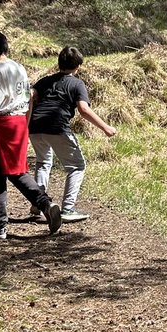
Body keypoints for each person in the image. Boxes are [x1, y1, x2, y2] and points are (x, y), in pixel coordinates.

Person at [0, 31, 61, 239]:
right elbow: (28, 97)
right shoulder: (19, 67)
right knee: (18, 172)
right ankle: (46, 204)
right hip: (19, 123)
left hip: (1, 126)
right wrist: (25, 125)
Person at [28, 46, 116, 223]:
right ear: (78, 66)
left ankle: (39, 203)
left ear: (59, 63)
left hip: (35, 127)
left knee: (43, 162)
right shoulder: (77, 84)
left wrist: (26, 122)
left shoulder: (45, 80)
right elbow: (84, 110)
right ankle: (68, 209)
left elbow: (30, 94)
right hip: (57, 127)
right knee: (77, 166)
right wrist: (106, 127)